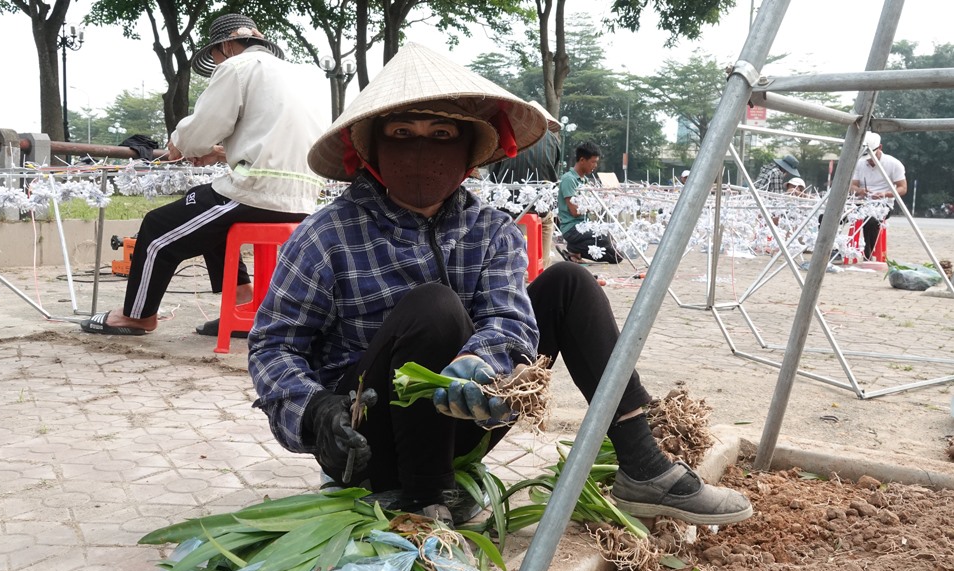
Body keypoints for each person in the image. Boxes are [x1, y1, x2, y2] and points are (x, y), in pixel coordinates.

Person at [247, 42, 752, 529]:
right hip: (365, 442)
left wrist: (483, 362)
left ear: (468, 149)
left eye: (441, 135)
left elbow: (510, 319)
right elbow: (274, 344)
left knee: (570, 282)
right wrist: (313, 410)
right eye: (402, 134)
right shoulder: (328, 234)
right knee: (434, 306)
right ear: (373, 149)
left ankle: (643, 464)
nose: (421, 150)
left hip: (466, 420)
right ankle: (424, 502)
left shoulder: (492, 231)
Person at [79, 14, 323, 336]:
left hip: (258, 189)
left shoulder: (237, 67)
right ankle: (241, 301)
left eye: (217, 55)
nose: (218, 61)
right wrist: (219, 152)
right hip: (304, 194)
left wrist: (179, 143)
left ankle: (137, 316)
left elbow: (201, 129)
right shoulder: (302, 76)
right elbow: (270, 138)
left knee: (157, 228)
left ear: (225, 46)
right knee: (210, 207)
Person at [488, 100, 563, 269]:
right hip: (539, 206)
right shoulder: (553, 140)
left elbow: (493, 178)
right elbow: (553, 175)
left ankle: (508, 264)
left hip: (506, 206)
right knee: (547, 222)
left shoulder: (507, 138)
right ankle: (541, 267)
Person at [557, 141, 622, 264]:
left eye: (596, 162)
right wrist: (594, 205)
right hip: (572, 229)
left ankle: (576, 251)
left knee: (617, 256)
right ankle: (573, 248)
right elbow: (575, 211)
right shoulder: (569, 180)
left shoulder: (585, 181)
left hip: (584, 226)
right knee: (605, 238)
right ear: (582, 160)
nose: (595, 165)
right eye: (593, 162)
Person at [850, 132, 907, 260]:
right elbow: (852, 186)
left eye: (871, 156)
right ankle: (833, 250)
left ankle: (868, 253)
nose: (869, 160)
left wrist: (885, 194)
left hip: (883, 204)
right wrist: (860, 191)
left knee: (870, 219)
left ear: (880, 147)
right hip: (861, 202)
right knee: (827, 216)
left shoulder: (893, 164)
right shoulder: (859, 163)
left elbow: (903, 188)